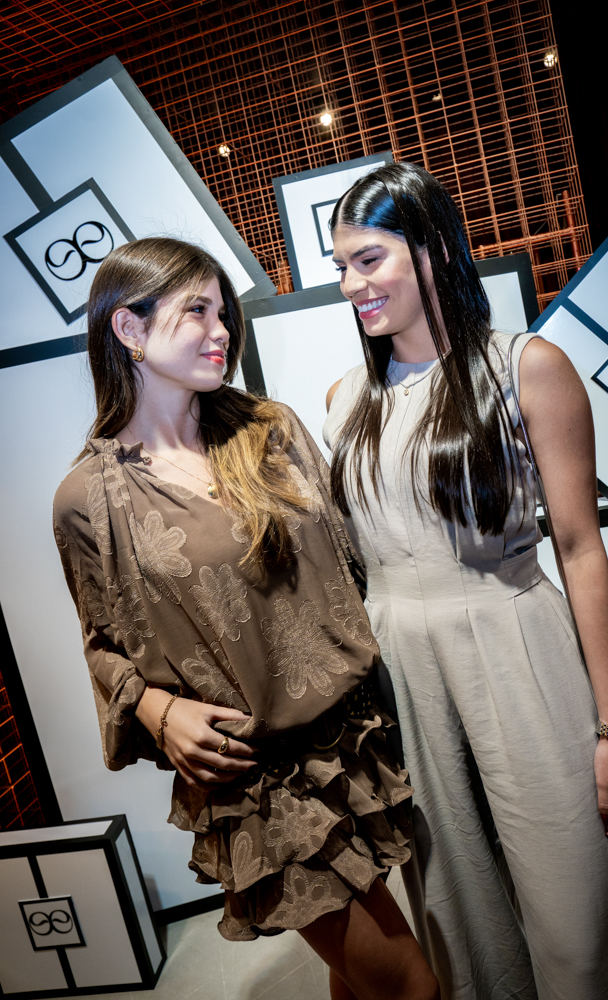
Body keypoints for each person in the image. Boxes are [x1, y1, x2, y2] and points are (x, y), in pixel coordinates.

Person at [53, 237, 442, 1000]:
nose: (221, 329)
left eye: (223, 312)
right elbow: (101, 644)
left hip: (351, 742)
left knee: (357, 979)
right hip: (259, 783)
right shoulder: (88, 500)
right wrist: (157, 709)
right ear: (128, 329)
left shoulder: (271, 429)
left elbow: (353, 562)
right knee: (410, 987)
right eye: (196, 311)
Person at [323, 162, 608, 1000]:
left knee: (575, 914)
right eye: (341, 266)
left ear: (433, 249)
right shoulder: (342, 401)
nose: (352, 285)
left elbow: (578, 548)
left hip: (515, 643)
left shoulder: (525, 366)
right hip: (401, 675)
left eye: (368, 259)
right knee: (456, 919)